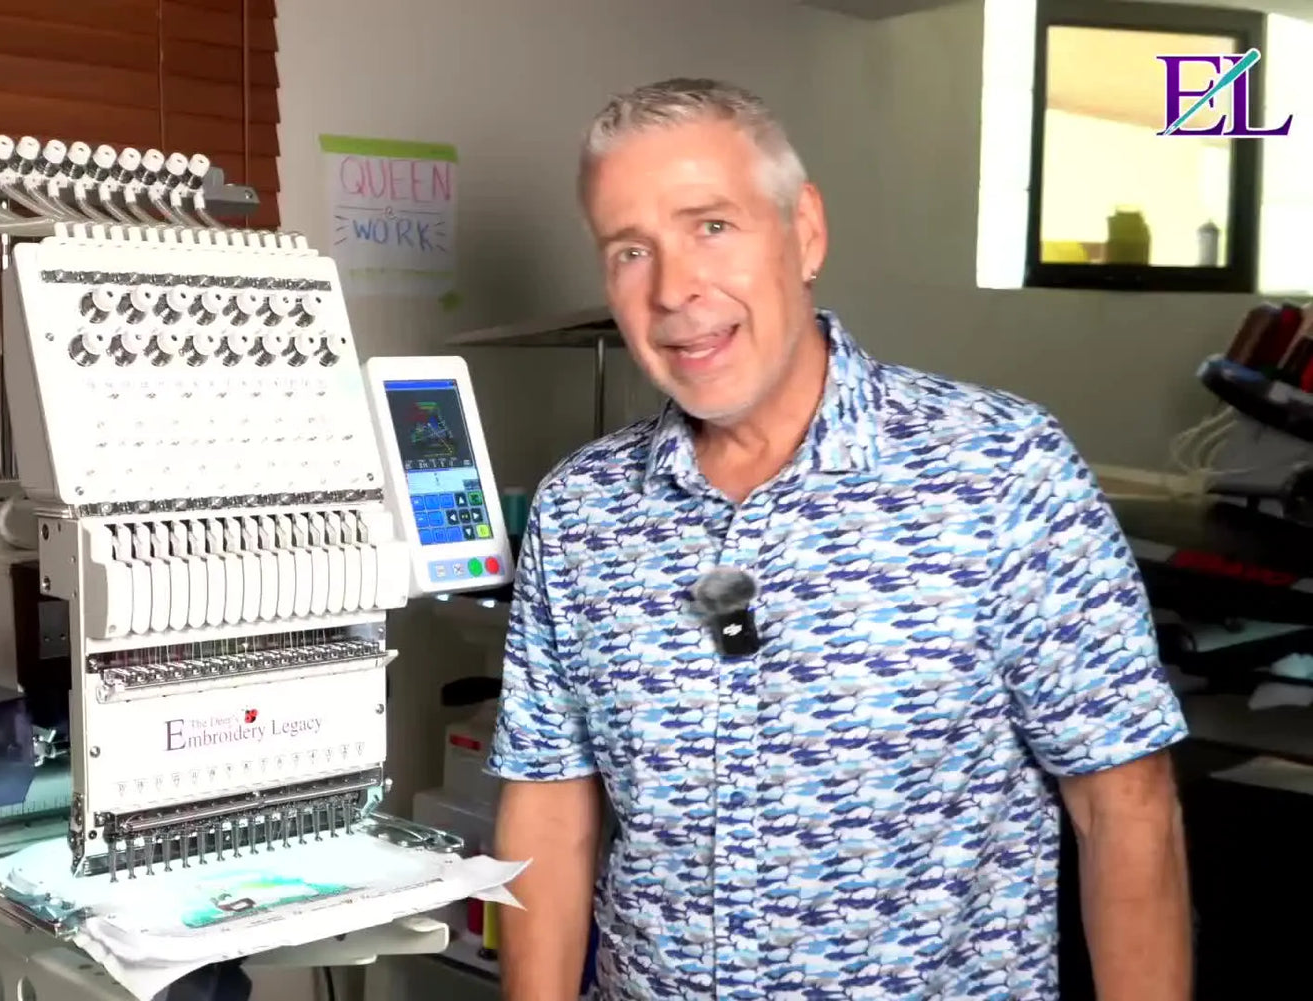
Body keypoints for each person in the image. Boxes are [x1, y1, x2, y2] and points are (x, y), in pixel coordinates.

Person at [486, 77, 1192, 1000]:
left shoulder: (999, 469)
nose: (673, 289)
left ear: (806, 231)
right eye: (630, 250)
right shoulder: (582, 509)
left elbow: (1125, 808)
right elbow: (548, 805)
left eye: (712, 226)